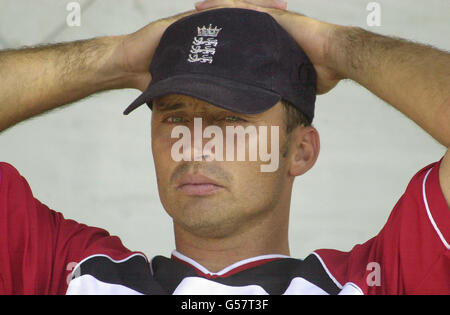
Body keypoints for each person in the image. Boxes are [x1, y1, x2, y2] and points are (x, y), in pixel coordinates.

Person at [0, 0, 448, 295]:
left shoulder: (371, 283)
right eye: (175, 116)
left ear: (301, 150)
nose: (196, 144)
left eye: (233, 118)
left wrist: (338, 46)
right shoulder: (78, 276)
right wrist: (115, 60)